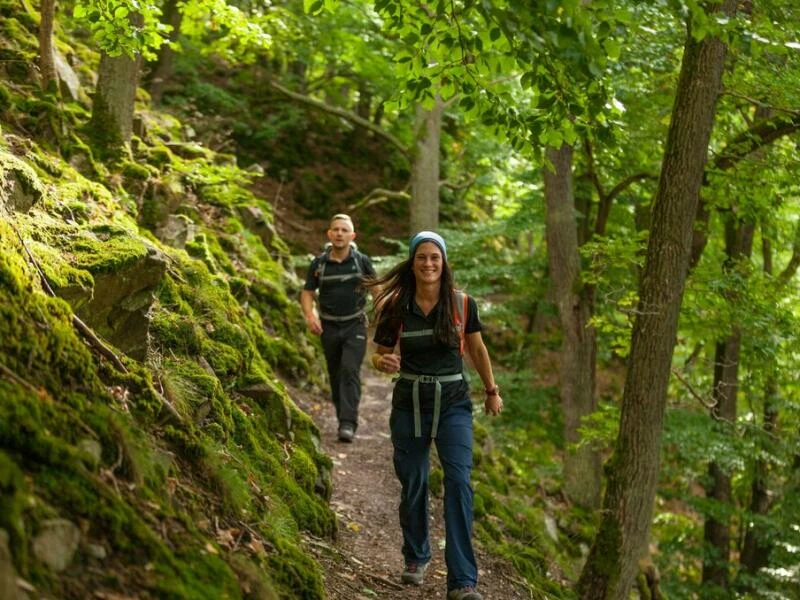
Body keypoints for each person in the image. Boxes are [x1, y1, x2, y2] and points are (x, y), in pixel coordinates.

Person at [366, 231, 503, 600]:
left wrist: (491, 391)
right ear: (412, 263)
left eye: (435, 258)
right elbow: (377, 354)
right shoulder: (396, 306)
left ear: (444, 263)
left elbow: (476, 347)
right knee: (413, 480)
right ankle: (416, 555)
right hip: (410, 403)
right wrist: (384, 361)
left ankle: (462, 581)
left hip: (454, 404)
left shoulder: (461, 304)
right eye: (422, 257)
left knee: (459, 482)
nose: (428, 263)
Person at [301, 214, 376, 442]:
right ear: (329, 234)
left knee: (349, 370)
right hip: (329, 327)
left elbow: (377, 290)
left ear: (352, 235)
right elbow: (307, 293)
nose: (340, 233)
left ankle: (347, 423)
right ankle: (342, 415)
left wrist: (384, 316)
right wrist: (310, 316)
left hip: (355, 324)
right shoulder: (319, 264)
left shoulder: (361, 261)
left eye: (344, 230)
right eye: (336, 229)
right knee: (335, 373)